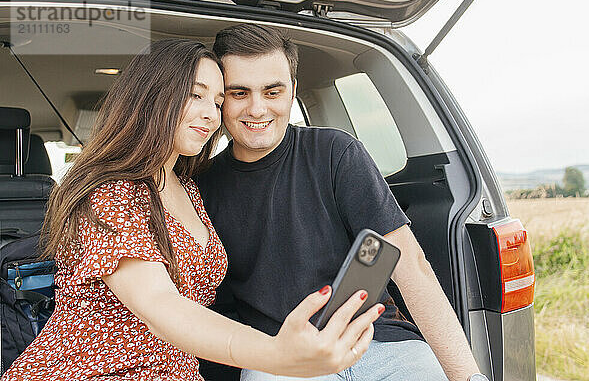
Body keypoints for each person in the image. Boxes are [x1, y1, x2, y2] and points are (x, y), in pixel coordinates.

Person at [1, 39, 384, 380]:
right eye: (196, 95)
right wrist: (276, 355)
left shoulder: (188, 189)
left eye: (218, 102)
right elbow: (160, 305)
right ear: (153, 97)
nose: (211, 115)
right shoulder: (111, 192)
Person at [195, 24, 485, 381]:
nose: (257, 109)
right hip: (280, 359)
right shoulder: (200, 185)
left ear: (292, 92)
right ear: (220, 98)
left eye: (273, 91)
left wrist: (468, 376)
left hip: (380, 343)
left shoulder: (336, 153)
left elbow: (411, 265)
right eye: (240, 92)